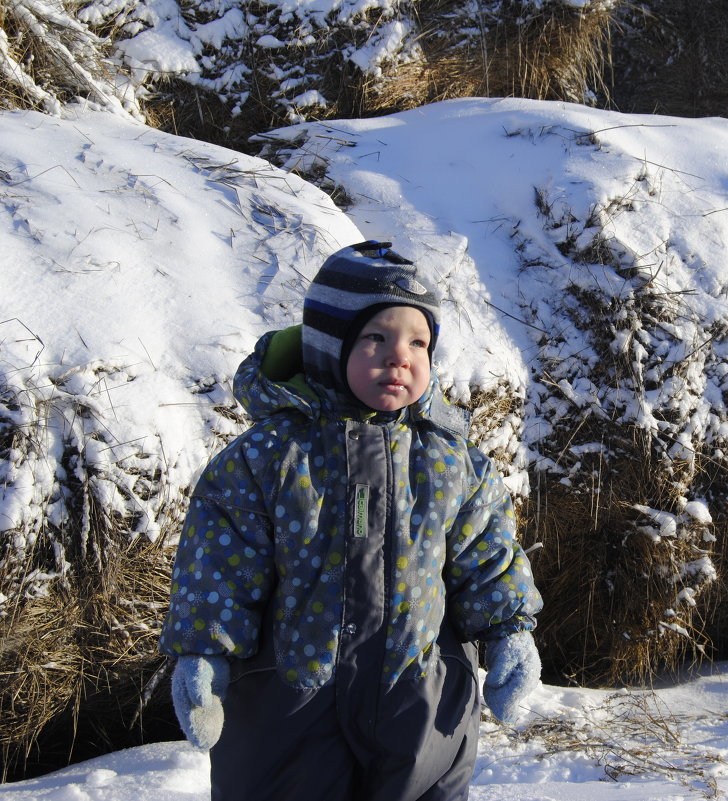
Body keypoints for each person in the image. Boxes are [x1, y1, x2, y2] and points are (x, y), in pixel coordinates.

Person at [159, 240, 544, 801]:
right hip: (290, 706)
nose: (400, 357)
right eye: (376, 338)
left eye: (419, 341)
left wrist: (510, 631)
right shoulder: (269, 456)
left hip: (419, 700)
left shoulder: (451, 461)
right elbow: (218, 563)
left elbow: (487, 556)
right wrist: (204, 652)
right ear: (328, 348)